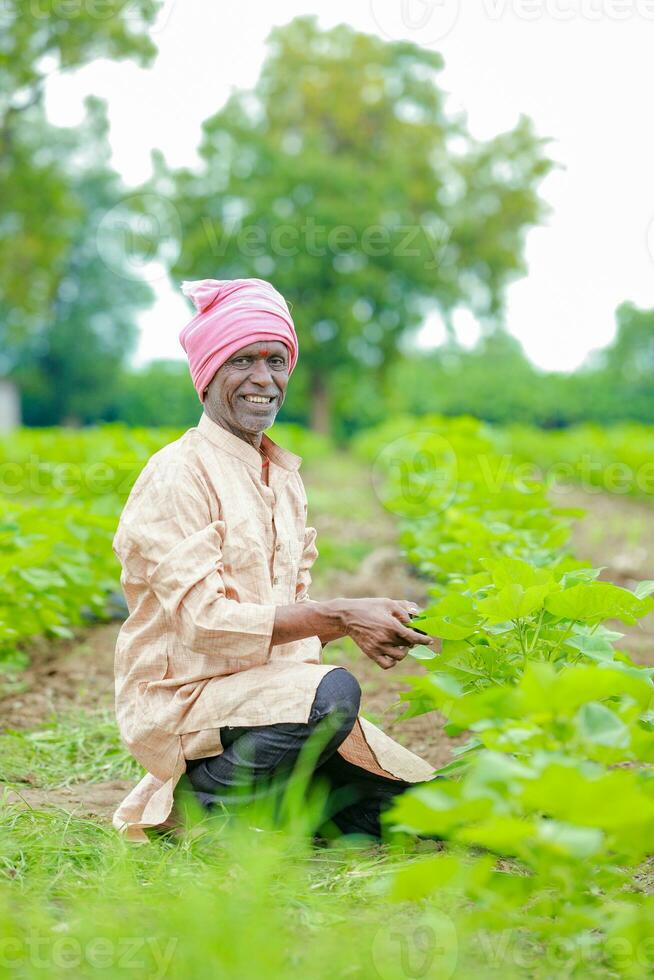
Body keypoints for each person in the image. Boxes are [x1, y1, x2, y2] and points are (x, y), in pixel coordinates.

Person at [111, 277, 438, 843]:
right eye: (243, 360)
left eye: (277, 360)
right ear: (208, 374)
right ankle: (203, 809)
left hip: (267, 698)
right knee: (333, 695)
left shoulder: (282, 478)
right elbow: (205, 623)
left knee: (413, 809)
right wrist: (339, 615)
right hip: (187, 704)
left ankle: (274, 814)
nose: (264, 379)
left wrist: (366, 619)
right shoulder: (176, 475)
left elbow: (289, 619)